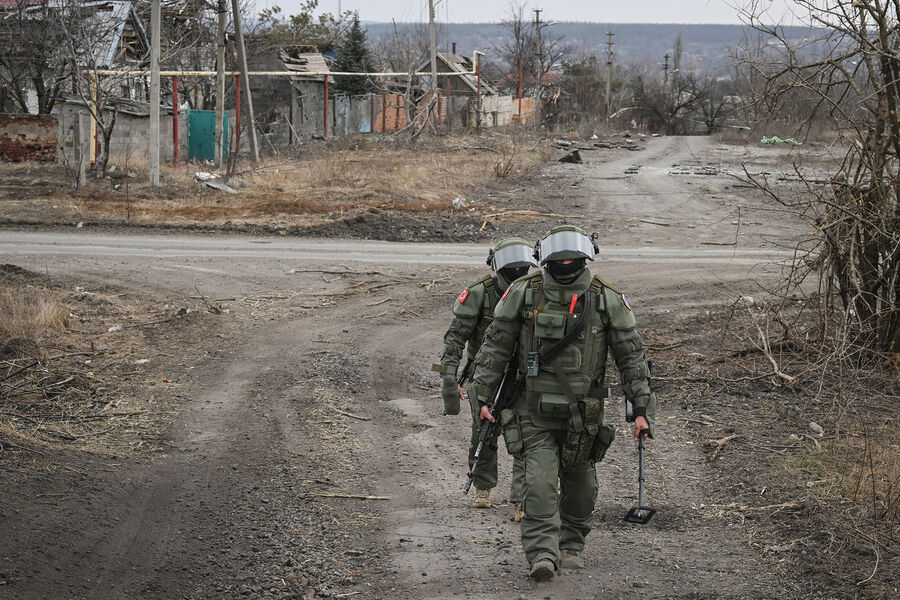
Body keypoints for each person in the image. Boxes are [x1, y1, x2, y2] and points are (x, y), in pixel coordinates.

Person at [468, 225, 656, 581]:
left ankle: (571, 545)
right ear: (545, 257)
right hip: (532, 411)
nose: (566, 261)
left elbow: (631, 359)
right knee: (537, 485)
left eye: (572, 256)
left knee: (582, 490)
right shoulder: (524, 293)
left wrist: (641, 411)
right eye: (560, 256)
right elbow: (494, 349)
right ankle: (542, 554)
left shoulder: (605, 299)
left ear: (585, 256)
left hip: (583, 417)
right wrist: (483, 398)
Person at [432, 237, 537, 515]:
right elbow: (454, 339)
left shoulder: (534, 291)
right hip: (486, 375)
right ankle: (483, 487)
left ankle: (521, 499)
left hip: (524, 377)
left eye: (522, 264)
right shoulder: (479, 293)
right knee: (484, 434)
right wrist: (449, 378)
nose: (518, 269)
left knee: (525, 437)